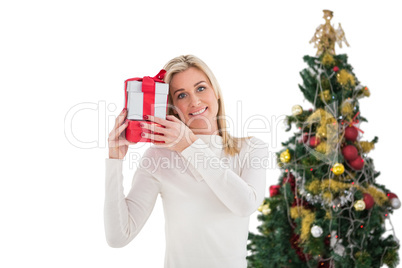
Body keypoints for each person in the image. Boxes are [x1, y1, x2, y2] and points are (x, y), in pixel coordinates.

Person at [104, 55, 268, 268]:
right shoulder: (158, 158)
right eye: (181, 95)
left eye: (201, 88)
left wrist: (190, 146)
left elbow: (245, 204)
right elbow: (118, 236)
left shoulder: (251, 148)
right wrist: (114, 160)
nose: (195, 101)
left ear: (216, 92)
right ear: (171, 106)